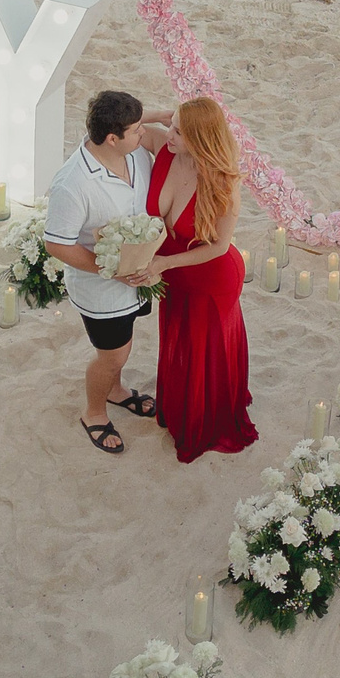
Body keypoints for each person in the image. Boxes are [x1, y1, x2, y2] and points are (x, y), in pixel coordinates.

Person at [40, 90, 170, 454]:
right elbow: (57, 244)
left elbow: (141, 122)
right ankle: (94, 412)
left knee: (123, 346)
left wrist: (164, 113)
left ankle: (115, 391)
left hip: (135, 280)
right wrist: (111, 269)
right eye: (136, 130)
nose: (143, 133)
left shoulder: (132, 150)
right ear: (112, 137)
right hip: (101, 287)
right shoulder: (73, 183)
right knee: (113, 355)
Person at [128, 96, 257, 464]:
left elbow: (218, 247)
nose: (169, 134)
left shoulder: (223, 184)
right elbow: (123, 122)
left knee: (204, 349)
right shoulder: (164, 146)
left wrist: (164, 264)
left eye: (179, 131)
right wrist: (161, 115)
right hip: (170, 272)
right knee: (179, 342)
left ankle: (205, 419)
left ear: (200, 140)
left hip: (209, 278)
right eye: (171, 124)